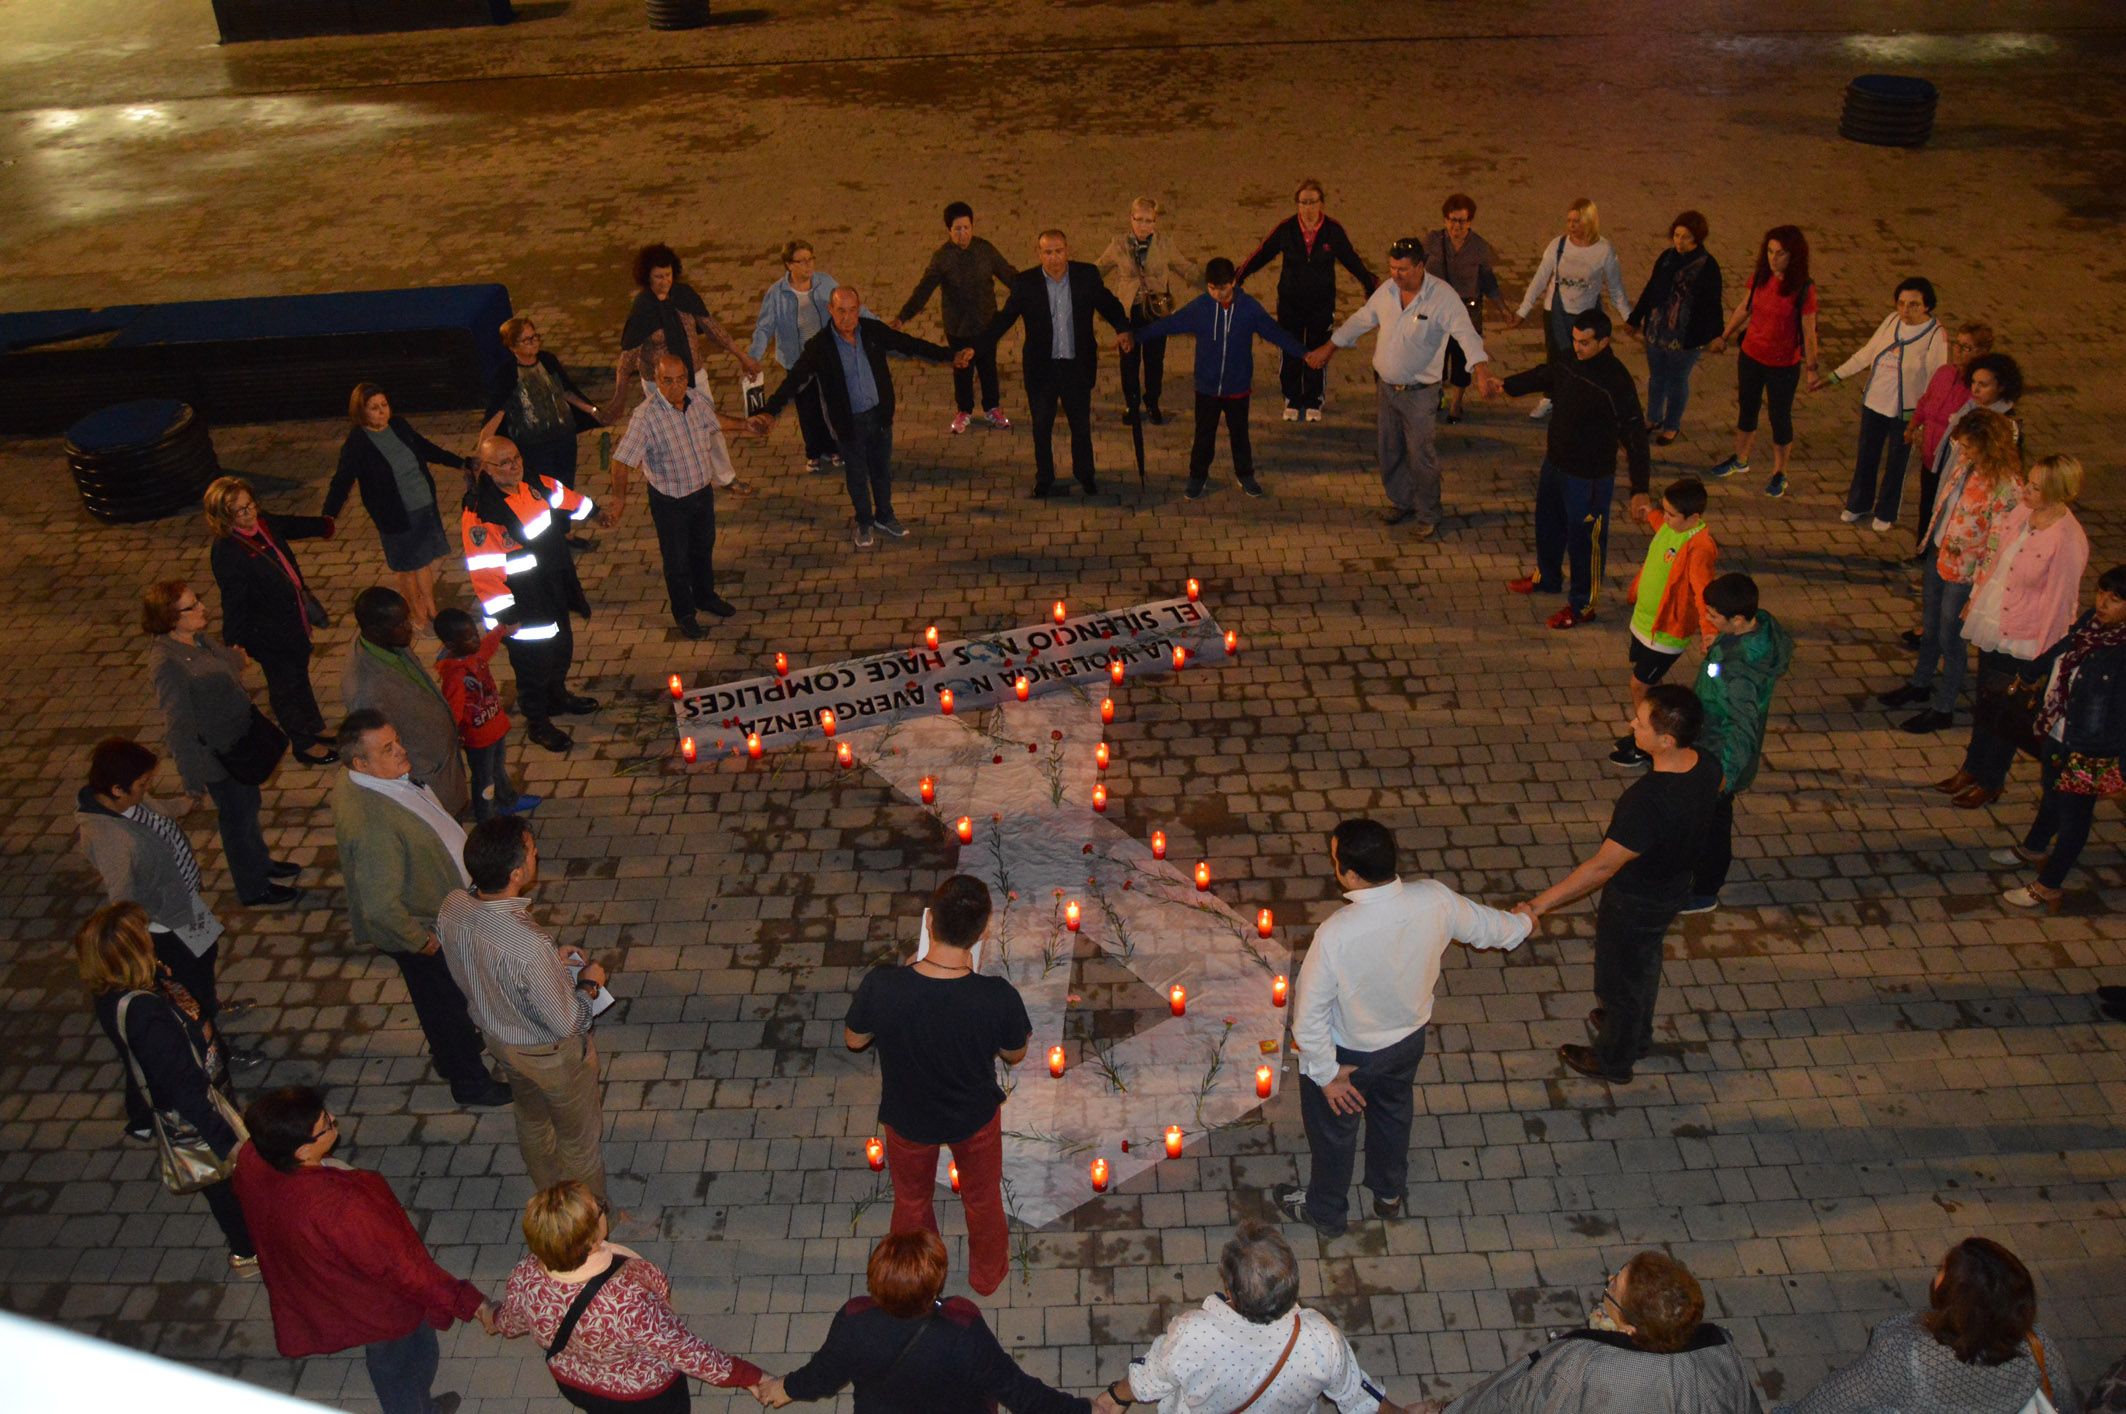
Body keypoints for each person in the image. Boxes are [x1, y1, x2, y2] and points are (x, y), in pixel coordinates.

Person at [1274, 819, 1529, 1238]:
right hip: (1407, 1042)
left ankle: (1326, 1211)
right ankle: (1388, 1192)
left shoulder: (1336, 933)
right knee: (1393, 1114)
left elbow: (1309, 1015)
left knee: (1335, 1132)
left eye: (1335, 859)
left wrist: (1325, 1074)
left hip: (1349, 1056)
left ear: (1351, 875)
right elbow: (1492, 930)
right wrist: (1525, 922)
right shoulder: (1434, 899)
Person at [232, 1086, 495, 1414]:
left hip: (320, 1286)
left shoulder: (253, 1157)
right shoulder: (341, 1208)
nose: (334, 1122)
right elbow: (406, 1271)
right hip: (375, 1304)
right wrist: (475, 1304)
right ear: (301, 1150)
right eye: (325, 1125)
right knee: (403, 1363)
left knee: (392, 1360)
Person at [1521, 686, 1722, 1084]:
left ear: (1665, 740)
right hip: (1674, 886)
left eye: (1641, 722)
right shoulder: (1707, 764)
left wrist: (1539, 904)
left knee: (1619, 982)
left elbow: (1600, 869)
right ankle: (1634, 1034)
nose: (1632, 723)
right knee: (1643, 966)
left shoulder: (1645, 803)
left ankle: (1615, 1058)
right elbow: (1717, 793)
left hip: (1637, 900)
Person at [844, 874, 1030, 1296]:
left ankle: (916, 1282)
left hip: (908, 1117)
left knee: (911, 1202)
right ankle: (986, 1277)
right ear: (982, 932)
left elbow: (854, 1040)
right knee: (982, 1200)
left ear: (929, 924)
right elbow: (1014, 1053)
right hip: (973, 1117)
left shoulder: (884, 986)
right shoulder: (995, 996)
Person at [333, 708, 510, 1107]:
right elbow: (380, 906)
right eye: (388, 748)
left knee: (435, 1001)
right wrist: (421, 941)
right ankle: (470, 1083)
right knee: (447, 1006)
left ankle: (449, 1058)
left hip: (434, 915)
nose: (401, 751)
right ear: (360, 763)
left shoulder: (372, 781)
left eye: (397, 740)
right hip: (425, 928)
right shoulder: (372, 823)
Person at [76, 902, 256, 1272]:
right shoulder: (144, 1014)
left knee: (228, 1180)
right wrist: (226, 1141)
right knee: (221, 1181)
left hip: (208, 1092)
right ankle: (247, 1251)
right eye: (144, 938)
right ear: (131, 953)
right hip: (198, 1113)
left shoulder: (127, 988)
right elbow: (179, 1083)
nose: (152, 940)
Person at [438, 816, 611, 1199]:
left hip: (500, 1041)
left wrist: (551, 961)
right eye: (532, 851)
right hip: (550, 1056)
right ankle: (594, 1220)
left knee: (532, 1121)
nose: (537, 854)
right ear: (517, 873)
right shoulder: (528, 946)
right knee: (579, 1143)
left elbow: (484, 963)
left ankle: (548, 1195)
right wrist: (589, 983)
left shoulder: (451, 907)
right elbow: (569, 1021)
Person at [74, 738, 266, 1072]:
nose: (147, 789)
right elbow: (122, 899)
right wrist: (139, 945)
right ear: (118, 789)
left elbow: (153, 808)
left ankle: (211, 1004)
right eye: (142, 784)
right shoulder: (111, 840)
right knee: (189, 989)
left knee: (207, 953)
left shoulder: (123, 801)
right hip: (165, 923)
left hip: (185, 903)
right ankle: (214, 1048)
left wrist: (183, 805)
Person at [495, 1180, 770, 1411]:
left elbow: (511, 1322)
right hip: (643, 1397)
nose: (604, 1207)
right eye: (599, 1208)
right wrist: (752, 1377)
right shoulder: (627, 1300)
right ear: (590, 1238)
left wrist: (489, 1314)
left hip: (577, 1385)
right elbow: (685, 1351)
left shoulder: (525, 1274)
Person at [757, 1229, 1087, 1413]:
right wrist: (1084, 1411)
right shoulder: (962, 1327)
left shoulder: (854, 1319)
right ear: (935, 1285)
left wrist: (783, 1388)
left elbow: (824, 1375)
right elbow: (1016, 1390)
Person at [1094, 1221, 1391, 1414]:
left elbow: (1152, 1378)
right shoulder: (1322, 1339)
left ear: (1230, 1290)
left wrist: (1116, 1397)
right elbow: (1358, 1396)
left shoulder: (1194, 1333)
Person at [1308, 236, 1498, 535]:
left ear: (1421, 266)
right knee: (1390, 450)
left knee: (1421, 456)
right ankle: (1401, 501)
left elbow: (1467, 334)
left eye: (1403, 269)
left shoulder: (1442, 298)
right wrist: (1329, 347)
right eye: (1392, 268)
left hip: (1420, 395)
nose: (1396, 275)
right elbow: (1362, 319)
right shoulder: (1387, 291)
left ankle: (1428, 513)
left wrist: (1481, 371)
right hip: (1386, 389)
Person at [753, 286, 969, 547]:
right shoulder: (819, 347)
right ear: (830, 310)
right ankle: (864, 521)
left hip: (878, 417)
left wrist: (950, 356)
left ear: (859, 309)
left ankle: (885, 516)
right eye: (841, 310)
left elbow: (910, 345)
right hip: (848, 423)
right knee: (857, 475)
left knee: (881, 471)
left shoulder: (871, 331)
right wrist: (769, 411)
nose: (847, 317)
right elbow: (794, 381)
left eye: (852, 310)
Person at [1777, 1237, 2076, 1414]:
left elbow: (1834, 1399)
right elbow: (2065, 1403)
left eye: (1945, 1270)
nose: (1938, 1273)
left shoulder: (1908, 1355)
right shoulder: (2038, 1348)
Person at [1445, 1251, 1760, 1413]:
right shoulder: (1722, 1355)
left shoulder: (1582, 1366)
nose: (1608, 1279)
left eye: (1613, 1287)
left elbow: (1510, 1401)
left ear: (1629, 1327)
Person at [1946, 454, 2090, 808]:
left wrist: (2042, 663)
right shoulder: (2024, 513)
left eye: (2036, 487)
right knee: (1985, 702)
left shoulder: (2067, 539)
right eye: (2029, 481)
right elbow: (1996, 562)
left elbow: (2061, 603)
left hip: (2024, 636)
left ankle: (1991, 780)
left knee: (2007, 712)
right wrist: (1977, 599)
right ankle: (1972, 767)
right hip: (1995, 620)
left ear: (2057, 493)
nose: (2026, 489)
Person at [143, 578, 297, 908]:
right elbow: (178, 726)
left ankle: (262, 863)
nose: (202, 608)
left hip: (240, 740)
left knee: (249, 805)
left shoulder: (197, 639)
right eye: (192, 606)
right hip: (219, 756)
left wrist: (235, 659)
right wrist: (191, 783)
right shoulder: (167, 663)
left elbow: (223, 663)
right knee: (236, 820)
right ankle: (253, 886)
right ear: (171, 618)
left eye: (198, 600)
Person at [1498, 308, 1653, 628]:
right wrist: (1507, 385)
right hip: (1555, 464)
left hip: (1589, 478)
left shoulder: (1616, 382)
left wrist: (1640, 489)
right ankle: (1547, 577)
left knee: (1586, 542)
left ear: (1604, 341)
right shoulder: (1571, 359)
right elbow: (1546, 374)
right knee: (1548, 526)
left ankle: (1583, 605)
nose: (1578, 347)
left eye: (1585, 342)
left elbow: (1635, 437)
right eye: (1575, 340)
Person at [1876, 408, 2024, 734]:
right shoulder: (1967, 466)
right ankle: (1920, 683)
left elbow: (1998, 546)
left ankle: (1944, 707)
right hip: (1939, 554)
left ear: (1989, 446)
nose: (1964, 451)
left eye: (1970, 447)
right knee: (1929, 628)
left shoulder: (2007, 488)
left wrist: (1978, 591)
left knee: (1950, 639)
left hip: (1965, 574)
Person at [1997, 564, 2126, 914]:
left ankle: (2049, 884)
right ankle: (2035, 846)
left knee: (2074, 816)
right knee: (2051, 791)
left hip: (2090, 747)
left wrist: (2121, 770)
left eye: (2115, 599)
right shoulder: (2093, 623)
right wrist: (2034, 670)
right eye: (2101, 592)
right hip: (2057, 729)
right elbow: (2065, 645)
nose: (2102, 602)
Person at [461, 433, 601, 752]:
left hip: (552, 588)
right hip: (522, 603)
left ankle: (558, 697)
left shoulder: (534, 484)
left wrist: (594, 512)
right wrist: (505, 616)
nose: (514, 467)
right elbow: (484, 570)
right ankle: (537, 722)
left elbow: (564, 497)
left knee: (561, 646)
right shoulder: (482, 514)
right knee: (532, 665)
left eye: (517, 458)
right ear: (486, 468)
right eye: (505, 463)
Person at [1129, 256, 1306, 500]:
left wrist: (1304, 354)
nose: (1218, 294)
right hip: (1207, 387)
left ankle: (1245, 474)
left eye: (1222, 288)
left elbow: (1275, 332)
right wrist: (1135, 337)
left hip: (1238, 387)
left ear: (1233, 282)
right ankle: (1197, 476)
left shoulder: (1249, 308)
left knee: (1240, 435)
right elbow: (1169, 325)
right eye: (1212, 288)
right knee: (1203, 435)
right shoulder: (1200, 307)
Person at [974, 229, 1133, 498]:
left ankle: (1085, 475)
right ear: (1039, 254)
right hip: (1042, 369)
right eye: (1047, 252)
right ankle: (1044, 478)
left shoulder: (1086, 276)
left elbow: (1109, 304)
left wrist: (1122, 328)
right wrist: (977, 347)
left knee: (1081, 426)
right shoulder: (1025, 283)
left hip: (1076, 366)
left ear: (1067, 251)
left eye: (1058, 251)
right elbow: (1005, 318)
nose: (1054, 258)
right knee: (1041, 427)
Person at [608, 352, 753, 639]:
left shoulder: (695, 399)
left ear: (687, 377)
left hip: (701, 493)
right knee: (676, 561)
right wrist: (620, 500)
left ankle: (705, 596)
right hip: (670, 501)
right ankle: (684, 613)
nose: (675, 387)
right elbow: (621, 460)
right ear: (656, 381)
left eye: (680, 379)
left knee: (703, 548)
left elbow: (714, 421)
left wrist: (746, 425)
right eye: (667, 381)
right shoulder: (646, 417)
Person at [204, 475, 336, 765]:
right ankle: (303, 743)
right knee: (284, 687)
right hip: (268, 633)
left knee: (300, 676)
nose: (250, 513)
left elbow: (288, 525)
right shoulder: (228, 550)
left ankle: (315, 725)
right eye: (240, 511)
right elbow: (233, 600)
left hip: (293, 620)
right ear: (224, 517)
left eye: (250, 505)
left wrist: (322, 525)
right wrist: (234, 643)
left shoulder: (262, 524)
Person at [1685, 575, 1794, 913]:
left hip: (1720, 756)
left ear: (1738, 620)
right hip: (1711, 740)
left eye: (1714, 616)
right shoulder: (1757, 628)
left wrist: (1724, 779)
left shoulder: (1739, 671)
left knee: (1713, 826)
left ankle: (1703, 891)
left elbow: (1742, 728)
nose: (1708, 619)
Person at [324, 383, 468, 629]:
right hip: (394, 514)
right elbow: (342, 479)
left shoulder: (399, 426)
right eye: (374, 408)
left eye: (384, 405)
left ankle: (431, 605)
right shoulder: (358, 442)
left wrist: (460, 463)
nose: (382, 412)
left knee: (424, 561)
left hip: (423, 504)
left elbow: (426, 449)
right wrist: (328, 514)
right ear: (361, 412)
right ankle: (415, 610)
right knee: (406, 567)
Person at [1234, 178, 1377, 421]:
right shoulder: (1286, 229)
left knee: (1318, 348)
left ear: (1321, 204)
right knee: (1289, 347)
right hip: (1290, 301)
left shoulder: (1333, 230)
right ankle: (1291, 397)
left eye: (1312, 202)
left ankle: (1313, 399)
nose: (1308, 208)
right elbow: (1262, 253)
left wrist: (1369, 282)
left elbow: (1350, 259)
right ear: (1297, 205)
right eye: (1303, 203)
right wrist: (1239, 276)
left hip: (1321, 303)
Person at [1819, 276, 1947, 530]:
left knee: (1897, 463)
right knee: (1866, 455)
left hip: (1906, 411)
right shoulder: (1891, 321)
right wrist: (1835, 376)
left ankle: (1886, 512)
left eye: (1913, 305)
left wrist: (1923, 419)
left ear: (1927, 306)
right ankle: (1858, 503)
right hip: (1875, 403)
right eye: (1901, 303)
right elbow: (1867, 353)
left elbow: (1937, 380)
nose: (1905, 310)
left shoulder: (1935, 336)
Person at [1608, 477, 1719, 765]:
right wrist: (1651, 515)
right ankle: (1651, 730)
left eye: (1671, 514)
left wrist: (1709, 632)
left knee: (1639, 685)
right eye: (1664, 511)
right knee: (1650, 683)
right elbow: (1661, 526)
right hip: (1644, 624)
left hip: (1666, 632)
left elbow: (1703, 593)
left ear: (1693, 518)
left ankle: (1645, 742)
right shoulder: (1673, 527)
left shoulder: (1699, 549)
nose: (1665, 518)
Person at [1704, 226, 1819, 498]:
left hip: (1783, 364)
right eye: (1769, 251)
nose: (1773, 258)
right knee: (1747, 408)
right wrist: (1725, 335)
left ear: (1794, 256)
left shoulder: (1803, 288)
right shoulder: (1760, 278)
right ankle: (1740, 459)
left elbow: (1808, 330)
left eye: (1780, 253)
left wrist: (1812, 369)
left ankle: (1780, 472)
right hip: (1751, 355)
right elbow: (1745, 307)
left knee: (1779, 417)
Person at [891, 201, 1018, 434]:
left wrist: (1030, 291)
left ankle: (992, 408)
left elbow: (1008, 274)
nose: (963, 234)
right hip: (958, 326)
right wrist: (903, 317)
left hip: (986, 322)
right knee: (962, 369)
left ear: (973, 226)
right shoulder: (942, 258)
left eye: (967, 227)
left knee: (988, 367)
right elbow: (924, 289)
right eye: (957, 229)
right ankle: (964, 411)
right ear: (949, 230)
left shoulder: (985, 250)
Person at [482, 317, 607, 551]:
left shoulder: (548, 360)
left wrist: (592, 410)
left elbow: (566, 391)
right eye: (527, 340)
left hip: (563, 437)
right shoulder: (508, 373)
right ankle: (550, 537)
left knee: (565, 485)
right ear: (512, 346)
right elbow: (497, 410)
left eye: (535, 337)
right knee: (544, 489)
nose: (534, 343)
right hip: (533, 445)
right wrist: (484, 445)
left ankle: (565, 532)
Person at [344, 587, 471, 815]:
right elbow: (377, 757)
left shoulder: (389, 643)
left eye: (407, 619)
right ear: (374, 630)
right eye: (400, 624)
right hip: (424, 780)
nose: (409, 627)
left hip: (442, 768)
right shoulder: (367, 689)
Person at [1512, 197, 1630, 419]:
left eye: (1577, 221)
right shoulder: (1558, 245)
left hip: (1586, 315)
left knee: (1586, 359)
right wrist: (1522, 310)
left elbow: (1616, 289)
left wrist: (1629, 318)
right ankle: (1550, 397)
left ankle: (1582, 399)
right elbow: (1540, 279)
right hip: (1556, 312)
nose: (1572, 227)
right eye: (1569, 221)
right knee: (1556, 358)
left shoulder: (1604, 250)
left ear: (1590, 222)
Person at [1906, 350, 2022, 570]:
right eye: (1974, 382)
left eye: (1984, 385)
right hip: (1949, 478)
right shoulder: (1969, 409)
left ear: (2002, 387)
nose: (1975, 389)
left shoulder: (2006, 424)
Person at [1095, 196, 1201, 426]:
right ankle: (1131, 404)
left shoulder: (1165, 244)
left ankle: (1152, 402)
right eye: (1139, 220)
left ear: (1156, 221)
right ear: (1130, 219)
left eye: (1149, 221)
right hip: (1128, 312)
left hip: (1156, 312)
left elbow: (1185, 268)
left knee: (1155, 361)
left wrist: (1214, 284)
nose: (1144, 225)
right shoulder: (1118, 244)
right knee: (1129, 360)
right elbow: (1098, 270)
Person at [1624, 211, 1725, 444]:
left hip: (1686, 335)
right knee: (1657, 377)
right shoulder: (1666, 257)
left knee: (1677, 380)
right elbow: (1651, 289)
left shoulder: (1707, 266)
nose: (1679, 241)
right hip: (1657, 330)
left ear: (1697, 238)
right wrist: (1635, 318)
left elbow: (1713, 303)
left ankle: (1672, 425)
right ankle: (1653, 417)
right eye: (1677, 235)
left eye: (1686, 237)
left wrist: (1717, 335)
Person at [749, 239, 846, 472]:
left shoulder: (826, 283)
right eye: (801, 261)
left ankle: (834, 448)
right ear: (788, 265)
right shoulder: (777, 293)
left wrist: (877, 326)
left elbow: (848, 307)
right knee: (807, 407)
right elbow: (764, 328)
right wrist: (753, 357)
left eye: (810, 259)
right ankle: (813, 451)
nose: (808, 265)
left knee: (832, 403)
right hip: (797, 360)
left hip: (826, 356)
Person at [433, 608, 537, 821]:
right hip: (478, 739)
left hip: (495, 727)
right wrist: (455, 736)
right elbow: (452, 711)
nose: (476, 640)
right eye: (469, 637)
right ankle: (486, 817)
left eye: (475, 634)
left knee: (497, 768)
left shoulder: (474, 655)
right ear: (452, 645)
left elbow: (488, 645)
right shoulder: (455, 676)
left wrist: (501, 630)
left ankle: (507, 800)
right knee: (483, 778)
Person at [617, 241, 759, 397]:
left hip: (694, 376)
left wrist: (742, 357)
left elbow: (713, 328)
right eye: (659, 277)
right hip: (660, 387)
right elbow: (628, 357)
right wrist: (619, 397)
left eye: (668, 275)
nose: (665, 281)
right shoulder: (643, 308)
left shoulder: (684, 295)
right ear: (647, 277)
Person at [1422, 193, 1512, 423]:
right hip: (1436, 311)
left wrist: (1502, 308)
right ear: (1445, 220)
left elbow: (1488, 280)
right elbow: (1416, 268)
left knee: (1462, 360)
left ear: (1470, 221)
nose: (1456, 226)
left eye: (1462, 221)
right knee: (1435, 357)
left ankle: (1456, 404)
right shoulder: (1433, 240)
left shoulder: (1479, 247)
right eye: (1452, 220)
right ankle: (1437, 394)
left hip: (1467, 312)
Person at [1906, 322, 1997, 550]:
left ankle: (1936, 556)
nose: (1957, 351)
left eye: (1966, 348)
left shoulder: (1977, 388)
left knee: (1945, 511)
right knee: (1926, 506)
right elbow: (1926, 401)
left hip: (1953, 461)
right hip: (1930, 456)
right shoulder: (1944, 373)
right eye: (1957, 344)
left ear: (1982, 352)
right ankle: (1921, 551)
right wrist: (1913, 426)